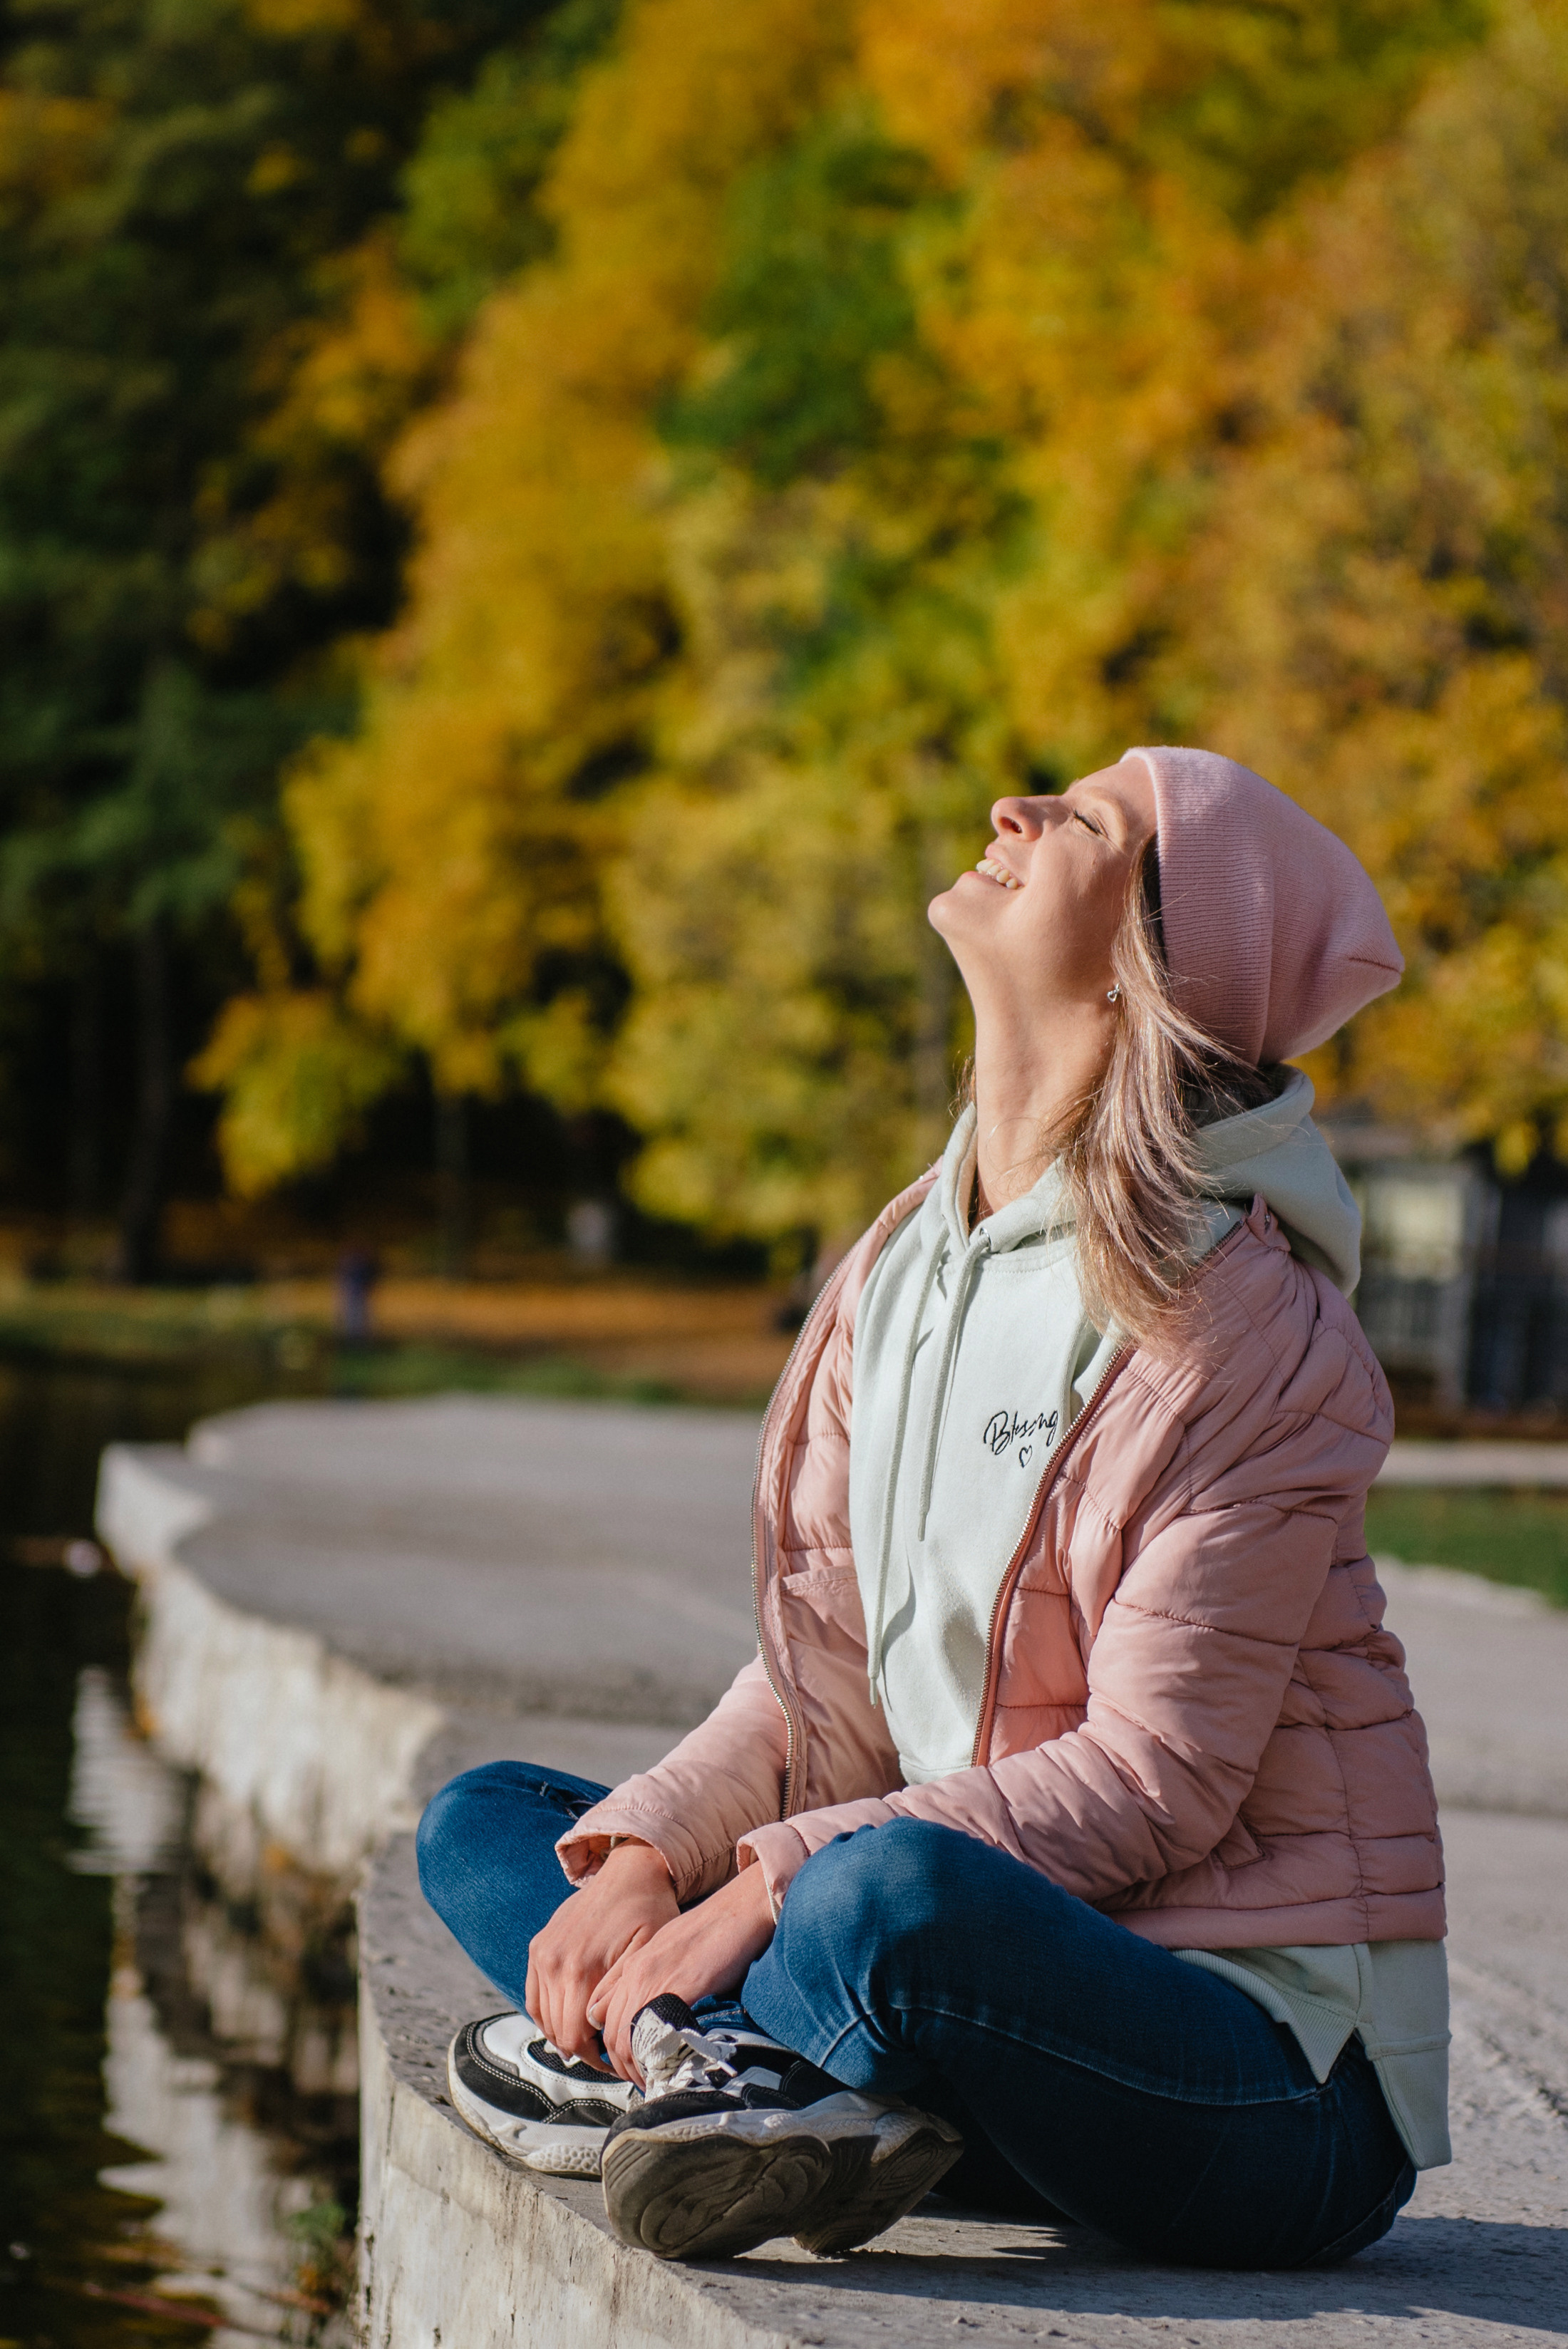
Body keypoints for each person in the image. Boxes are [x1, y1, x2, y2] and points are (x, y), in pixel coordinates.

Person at [416, 747, 1448, 2269]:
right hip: (971, 1989)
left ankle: (696, 2063)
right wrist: (650, 1860)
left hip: (1255, 2080)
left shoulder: (1247, 1333)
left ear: (1148, 976)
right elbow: (826, 1676)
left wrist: (762, 1889)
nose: (1012, 812)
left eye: (1085, 822)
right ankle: (749, 2076)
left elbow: (1151, 1780)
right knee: (493, 1825)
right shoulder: (906, 1268)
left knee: (873, 1898)